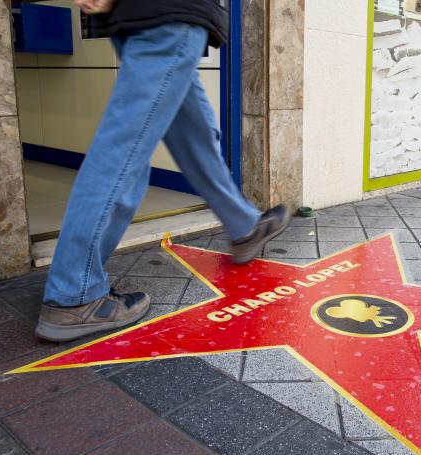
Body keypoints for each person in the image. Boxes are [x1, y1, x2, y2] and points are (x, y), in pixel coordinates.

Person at [35, 0, 290, 342]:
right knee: (122, 151)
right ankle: (73, 296)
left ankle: (243, 226)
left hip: (158, 17)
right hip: (167, 16)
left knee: (195, 136)